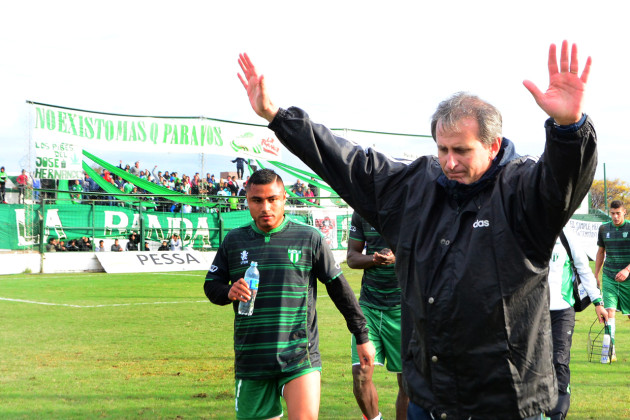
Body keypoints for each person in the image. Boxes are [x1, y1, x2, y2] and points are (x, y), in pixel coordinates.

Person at [237, 41, 597, 419]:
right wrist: (278, 116)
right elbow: (346, 162)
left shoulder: (522, 192)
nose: (449, 162)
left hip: (506, 401)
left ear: (493, 146)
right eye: (442, 149)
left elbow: (563, 183)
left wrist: (569, 130)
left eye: (461, 150)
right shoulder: (415, 188)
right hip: (430, 398)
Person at [204, 169, 375, 420]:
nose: (265, 207)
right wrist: (228, 291)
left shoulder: (309, 238)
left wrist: (362, 335)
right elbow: (211, 285)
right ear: (247, 202)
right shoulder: (234, 240)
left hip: (298, 355)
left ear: (284, 198)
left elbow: (339, 288)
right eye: (257, 200)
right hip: (252, 358)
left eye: (272, 199)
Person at [347, 211, 408, 420]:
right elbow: (352, 258)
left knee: (408, 382)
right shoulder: (362, 212)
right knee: (361, 375)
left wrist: (396, 258)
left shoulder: (412, 206)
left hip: (404, 308)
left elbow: (428, 252)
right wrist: (374, 258)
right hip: (369, 307)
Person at [546, 227, 608, 419]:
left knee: (559, 360)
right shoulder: (530, 231)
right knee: (534, 362)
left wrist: (598, 302)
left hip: (563, 310)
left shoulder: (567, 237)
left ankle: (557, 412)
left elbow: (584, 270)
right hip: (534, 311)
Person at [595, 200, 630, 363]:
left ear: (625, 212)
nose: (615, 216)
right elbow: (601, 252)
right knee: (609, 312)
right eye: (612, 213)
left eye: (618, 213)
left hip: (628, 278)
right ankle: (611, 351)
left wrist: (627, 270)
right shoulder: (603, 228)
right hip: (609, 276)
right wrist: (596, 274)